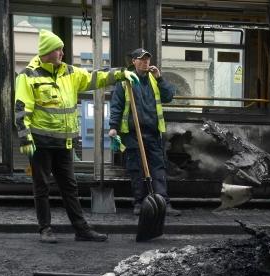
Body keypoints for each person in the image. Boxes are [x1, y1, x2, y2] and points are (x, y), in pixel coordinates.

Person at [15, 29, 139, 243]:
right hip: (40, 143)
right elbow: (21, 107)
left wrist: (120, 73)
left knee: (69, 187)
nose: (62, 53)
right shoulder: (28, 75)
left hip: (64, 142)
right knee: (42, 187)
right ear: (47, 51)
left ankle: (81, 230)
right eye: (58, 49)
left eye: (62, 49)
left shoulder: (69, 72)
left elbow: (95, 77)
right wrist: (25, 138)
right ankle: (45, 229)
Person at [109, 48, 178, 216]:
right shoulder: (125, 81)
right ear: (134, 61)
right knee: (136, 170)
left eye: (147, 59)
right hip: (133, 134)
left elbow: (169, 96)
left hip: (153, 133)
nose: (145, 62)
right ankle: (139, 202)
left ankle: (163, 203)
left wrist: (160, 78)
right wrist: (113, 126)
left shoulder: (154, 80)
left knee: (158, 169)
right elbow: (116, 105)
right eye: (141, 59)